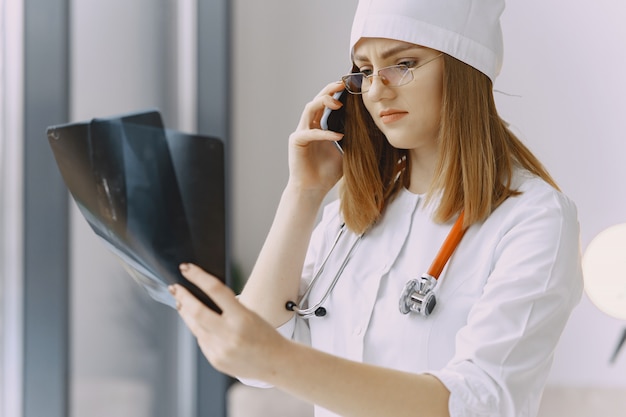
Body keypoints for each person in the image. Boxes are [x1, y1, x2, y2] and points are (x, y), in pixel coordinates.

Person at [169, 1, 584, 416]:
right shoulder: (346, 222)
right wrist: (302, 192)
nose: (376, 89)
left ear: (463, 67)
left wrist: (276, 358)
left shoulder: (534, 219)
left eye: (403, 63)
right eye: (364, 71)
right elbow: (255, 368)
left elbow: (478, 402)